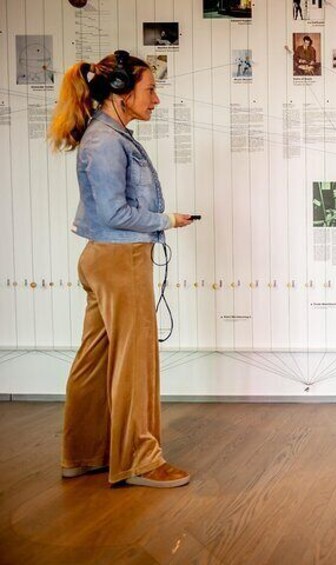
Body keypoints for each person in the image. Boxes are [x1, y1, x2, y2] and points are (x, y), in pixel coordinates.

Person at [48, 50, 195, 487]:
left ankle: (83, 453)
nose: (156, 100)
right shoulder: (108, 140)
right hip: (121, 259)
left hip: (102, 258)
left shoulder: (105, 134)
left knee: (94, 359)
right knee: (135, 363)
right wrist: (166, 220)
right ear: (121, 94)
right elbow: (114, 212)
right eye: (150, 90)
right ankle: (140, 461)